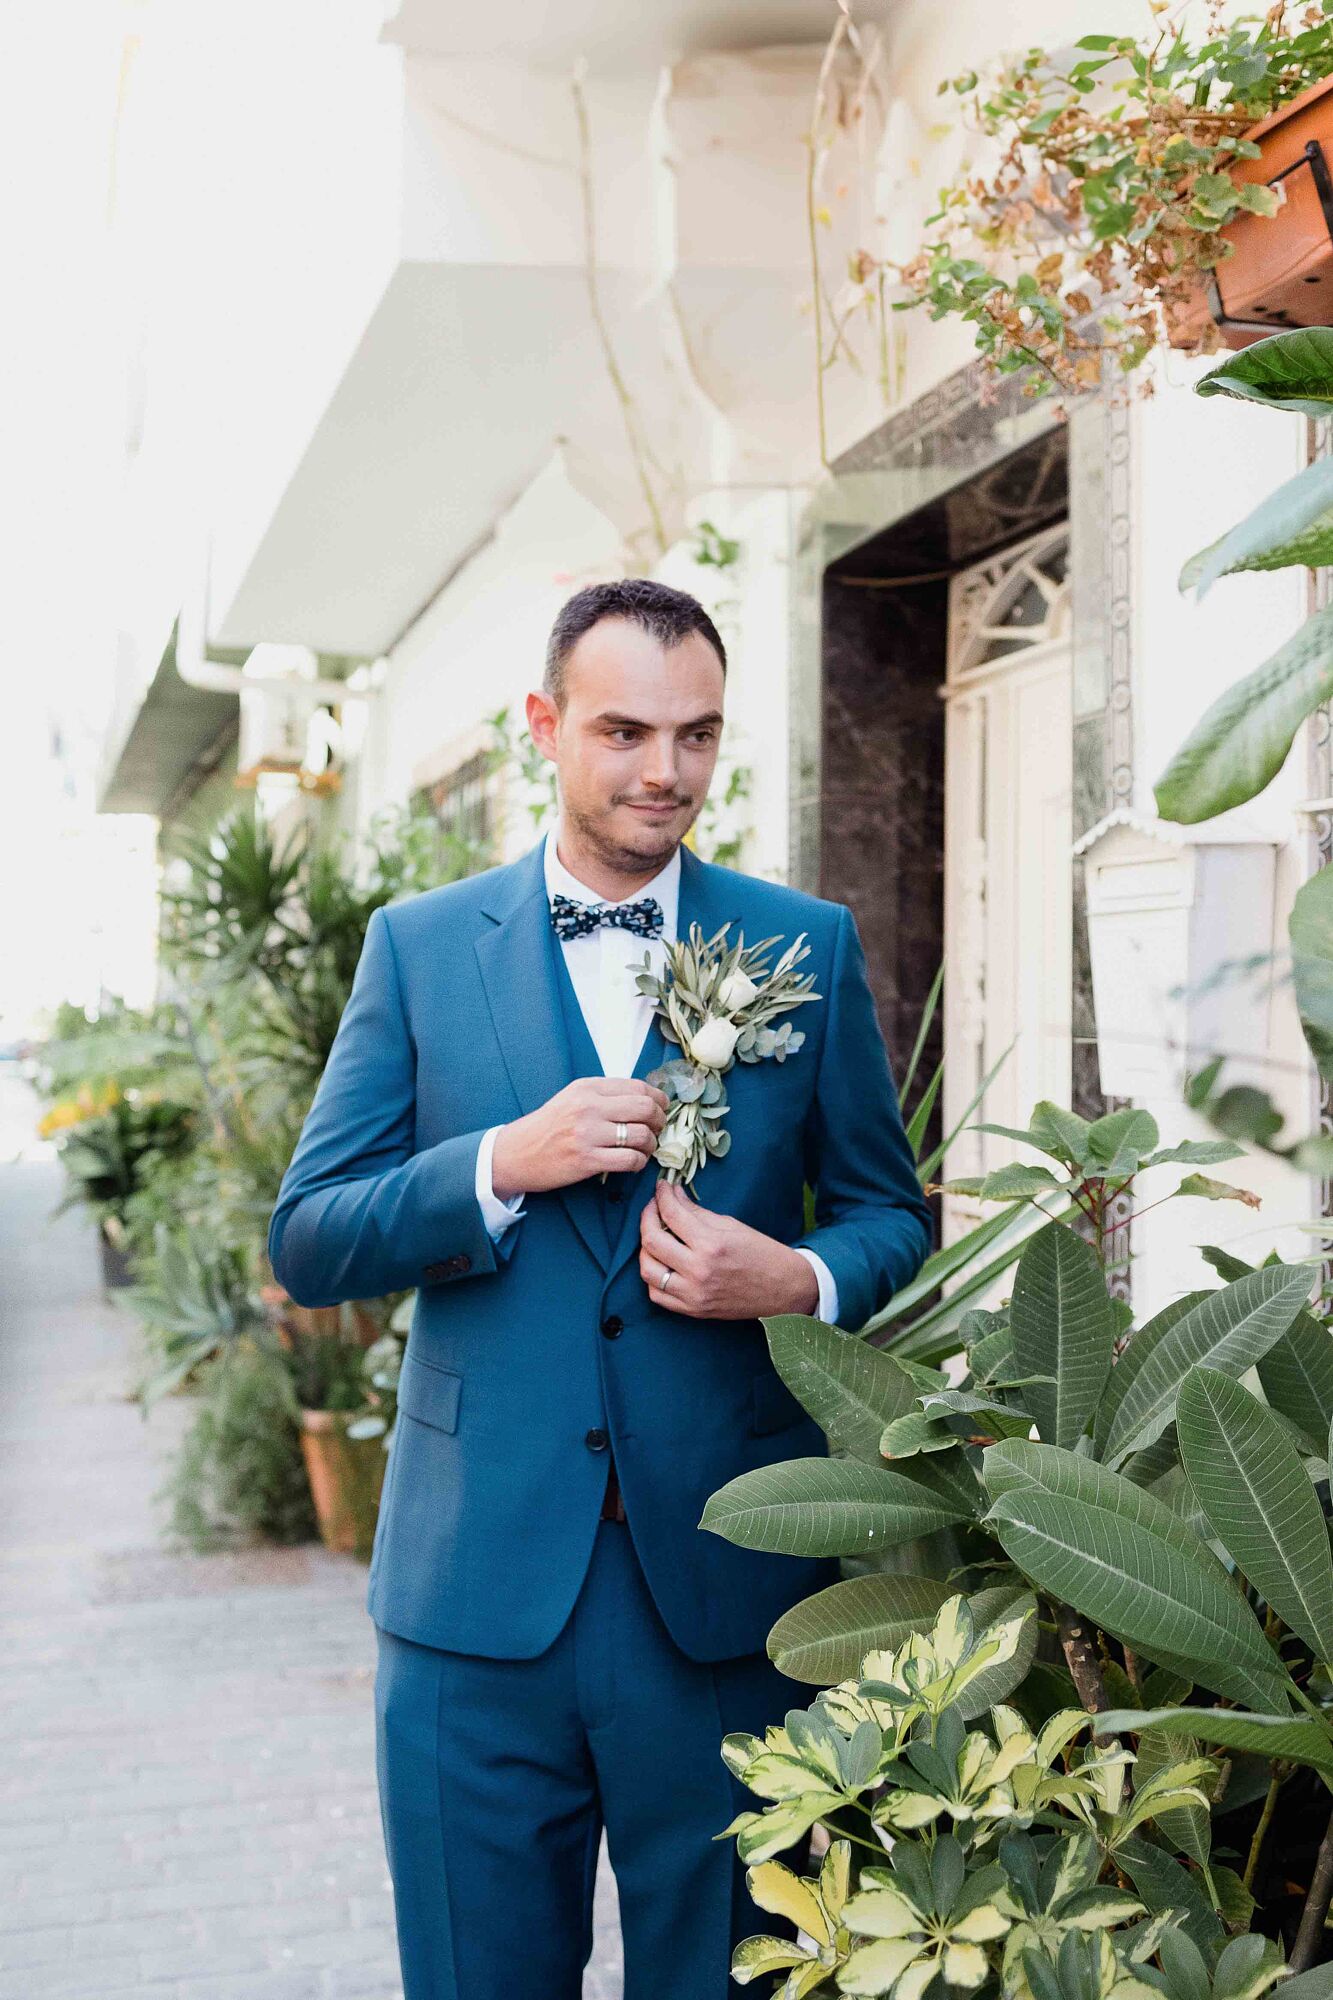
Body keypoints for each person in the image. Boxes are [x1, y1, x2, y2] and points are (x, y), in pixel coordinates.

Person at [267, 578, 931, 2000]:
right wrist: (498, 1163)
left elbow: (890, 1212)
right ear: (542, 727)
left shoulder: (800, 944)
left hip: (724, 1593)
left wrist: (797, 1275)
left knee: (736, 1979)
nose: (662, 774)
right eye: (624, 731)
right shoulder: (421, 947)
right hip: (473, 1600)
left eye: (695, 737)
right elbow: (310, 1236)